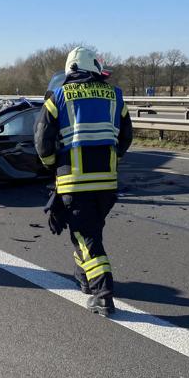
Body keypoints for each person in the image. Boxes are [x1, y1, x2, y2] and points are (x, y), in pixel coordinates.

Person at [34, 46, 133, 315]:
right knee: (86, 233)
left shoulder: (59, 96)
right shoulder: (115, 95)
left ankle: (103, 294)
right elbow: (126, 136)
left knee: (87, 238)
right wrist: (114, 159)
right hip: (107, 184)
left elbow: (42, 142)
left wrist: (52, 166)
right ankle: (86, 280)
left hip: (75, 184)